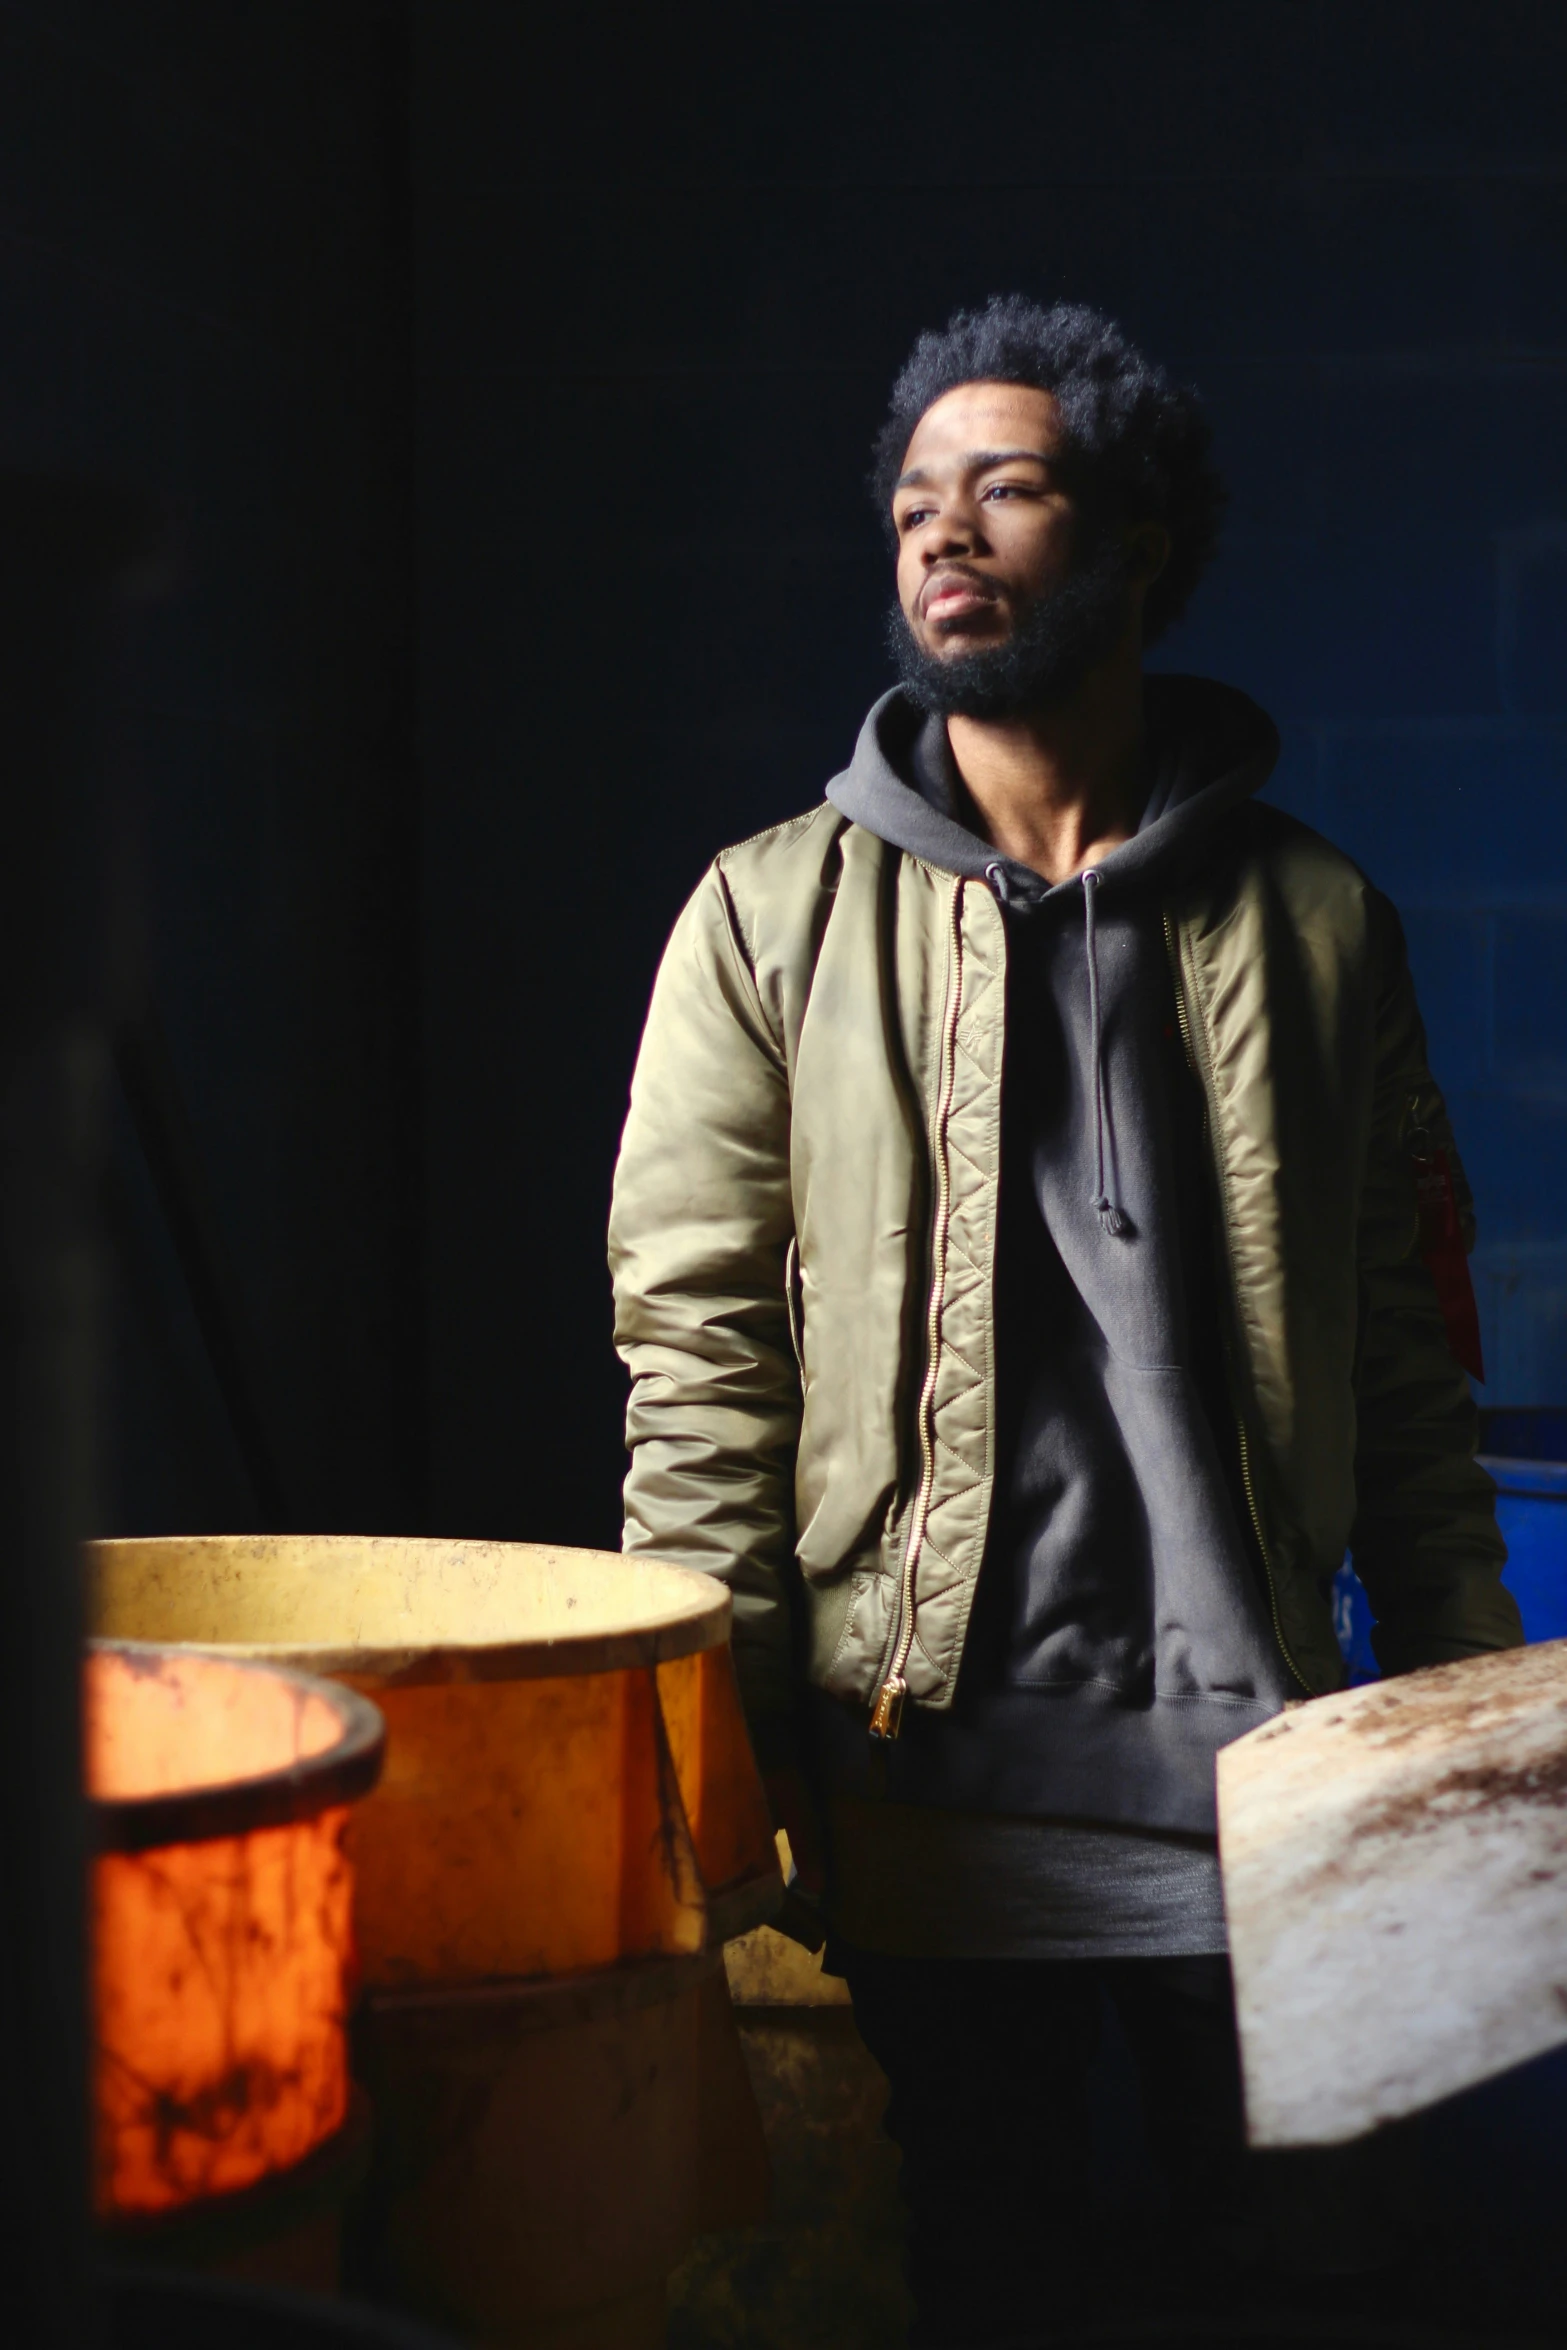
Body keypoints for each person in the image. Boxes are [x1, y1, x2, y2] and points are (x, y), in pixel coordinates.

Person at [608, 296, 1521, 2344]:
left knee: (1302, 2295)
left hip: (1259, 1775)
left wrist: (1469, 1765)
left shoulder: (1318, 918)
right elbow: (699, 1377)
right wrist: (717, 1755)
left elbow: (1405, 1374)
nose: (947, 534)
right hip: (926, 1786)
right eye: (918, 502)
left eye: (1008, 488)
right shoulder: (767, 916)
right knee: (992, 2281)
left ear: (1136, 543)